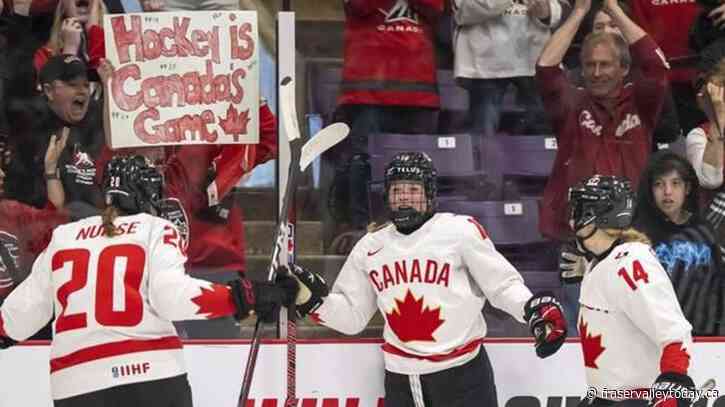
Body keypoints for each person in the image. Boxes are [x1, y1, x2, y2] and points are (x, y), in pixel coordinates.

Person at [0, 154, 297, 406]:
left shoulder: (64, 237)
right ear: (148, 195)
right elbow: (173, 297)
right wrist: (244, 296)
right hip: (149, 379)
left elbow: (17, 319)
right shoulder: (154, 228)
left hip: (76, 387)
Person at [289, 152, 567, 406]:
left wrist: (532, 310)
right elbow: (352, 317)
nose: (405, 197)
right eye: (397, 190)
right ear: (386, 195)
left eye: (413, 189)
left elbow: (502, 286)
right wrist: (312, 301)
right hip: (400, 379)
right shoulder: (370, 247)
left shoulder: (460, 232)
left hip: (464, 375)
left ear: (430, 194)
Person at [536, 0, 670, 332]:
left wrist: (612, 8)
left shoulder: (642, 102)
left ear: (624, 68)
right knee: (583, 335)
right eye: (590, 65)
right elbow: (545, 68)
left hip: (634, 237)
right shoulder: (572, 106)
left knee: (637, 331)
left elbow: (657, 66)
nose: (597, 72)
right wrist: (580, 12)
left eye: (605, 64)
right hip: (578, 242)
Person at [567, 174, 695, 406]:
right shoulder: (599, 261)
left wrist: (673, 385)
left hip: (634, 400)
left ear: (603, 216)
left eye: (580, 209)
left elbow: (674, 333)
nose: (572, 219)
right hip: (604, 397)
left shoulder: (631, 262)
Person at [633, 150, 725, 336]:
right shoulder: (635, 233)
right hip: (650, 339)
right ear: (650, 189)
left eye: (675, 183)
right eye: (659, 184)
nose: (667, 192)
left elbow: (719, 287)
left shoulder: (705, 231)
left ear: (687, 188)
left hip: (705, 341)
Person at [452, 0, 566, 136]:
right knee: (483, 140)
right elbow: (462, 10)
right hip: (485, 65)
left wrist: (547, 11)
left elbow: (559, 12)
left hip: (535, 59)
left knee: (546, 138)